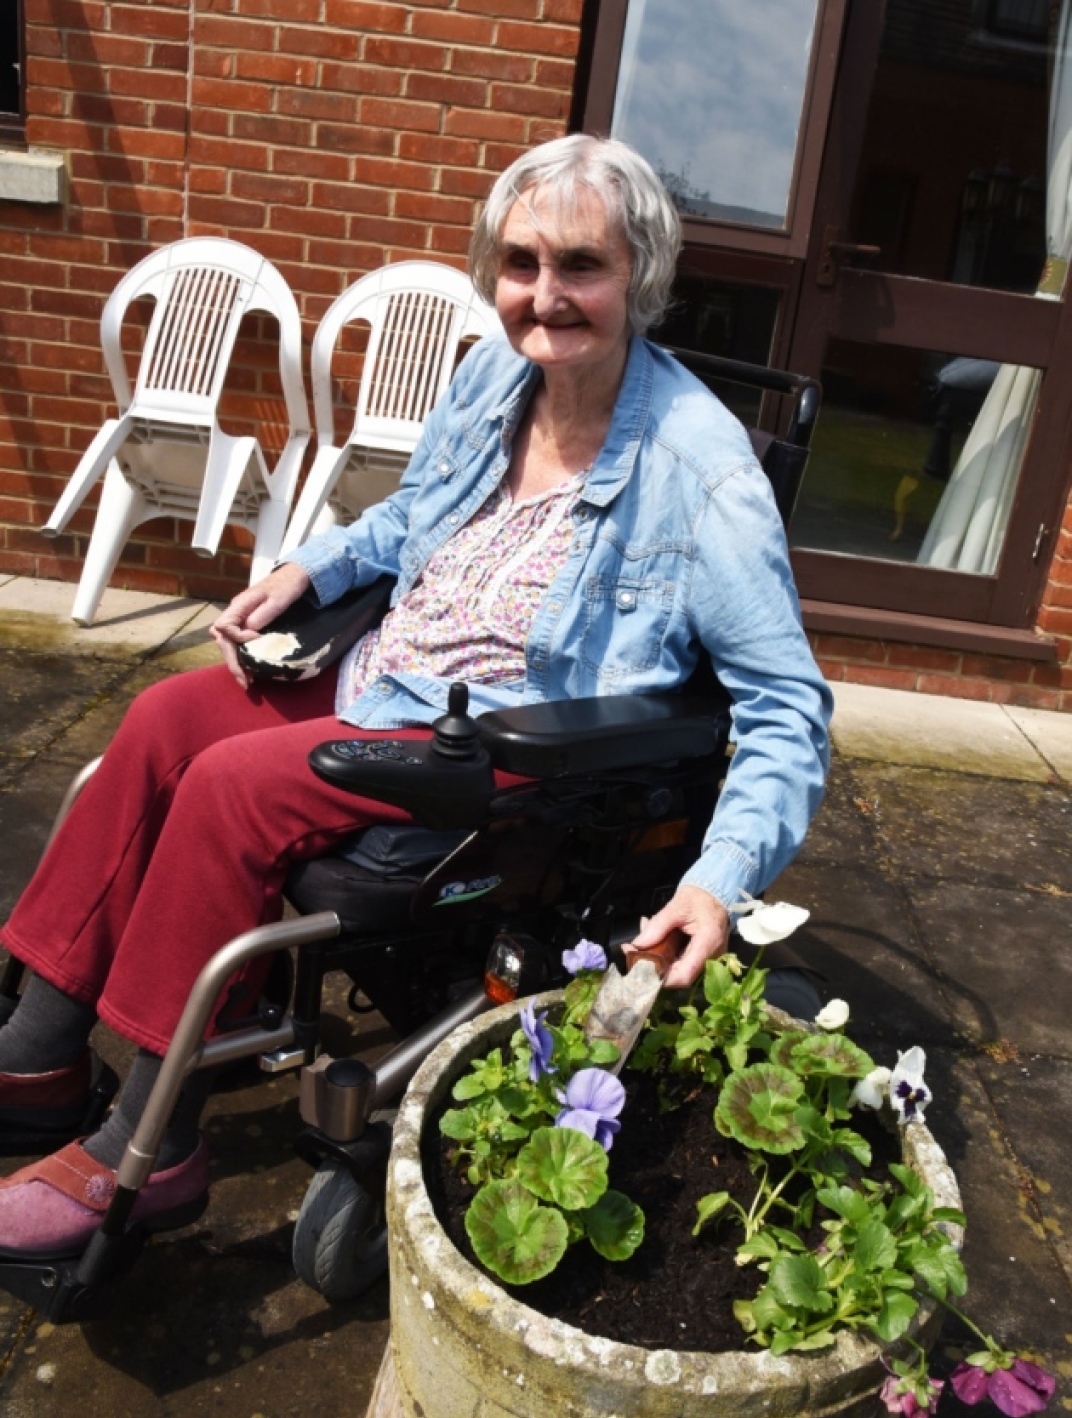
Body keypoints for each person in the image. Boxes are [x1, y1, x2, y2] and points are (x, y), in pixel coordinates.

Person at [0, 134, 831, 1257]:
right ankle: (39, 1052)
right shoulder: (497, 373)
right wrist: (307, 569)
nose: (545, 296)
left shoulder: (703, 471)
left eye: (579, 265)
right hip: (380, 676)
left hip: (494, 752)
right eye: (521, 262)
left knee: (230, 788)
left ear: (641, 275)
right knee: (161, 720)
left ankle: (152, 1143)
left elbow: (785, 701)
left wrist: (719, 881)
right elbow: (404, 521)